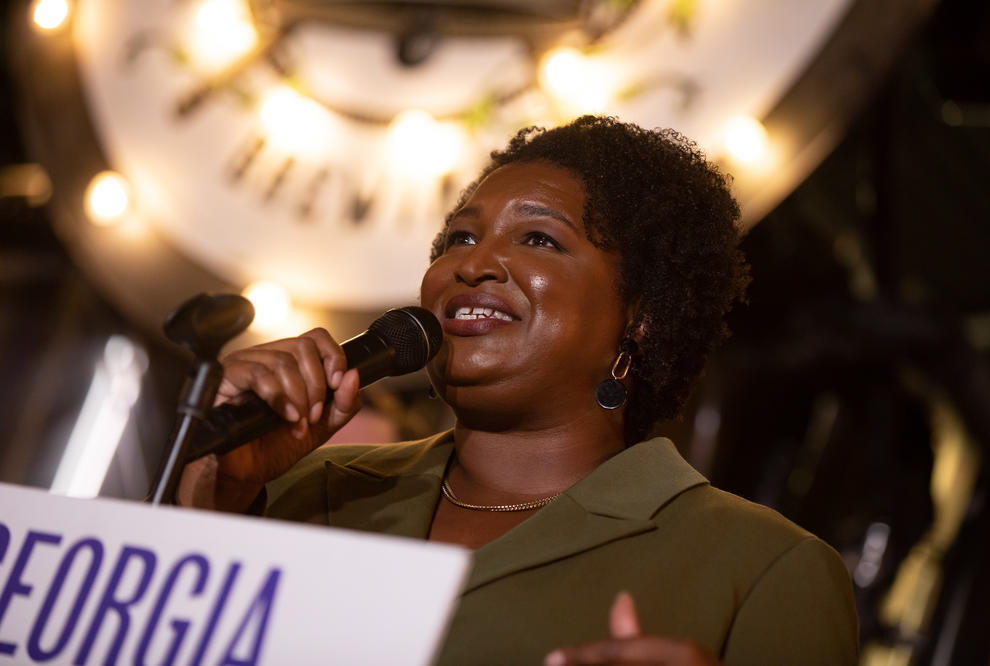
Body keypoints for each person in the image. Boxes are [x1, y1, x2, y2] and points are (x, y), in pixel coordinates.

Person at [179, 115, 859, 665]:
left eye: (538, 238)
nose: (472, 263)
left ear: (642, 315)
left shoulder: (763, 568)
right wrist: (215, 493)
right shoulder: (306, 490)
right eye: (458, 237)